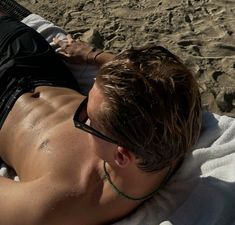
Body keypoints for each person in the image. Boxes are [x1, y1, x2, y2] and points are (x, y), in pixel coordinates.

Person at [0, 1, 202, 225]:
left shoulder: (55, 204)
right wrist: (92, 55)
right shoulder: (173, 118)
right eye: (86, 97)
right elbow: (152, 81)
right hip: (36, 63)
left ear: (121, 156)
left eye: (87, 118)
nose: (78, 115)